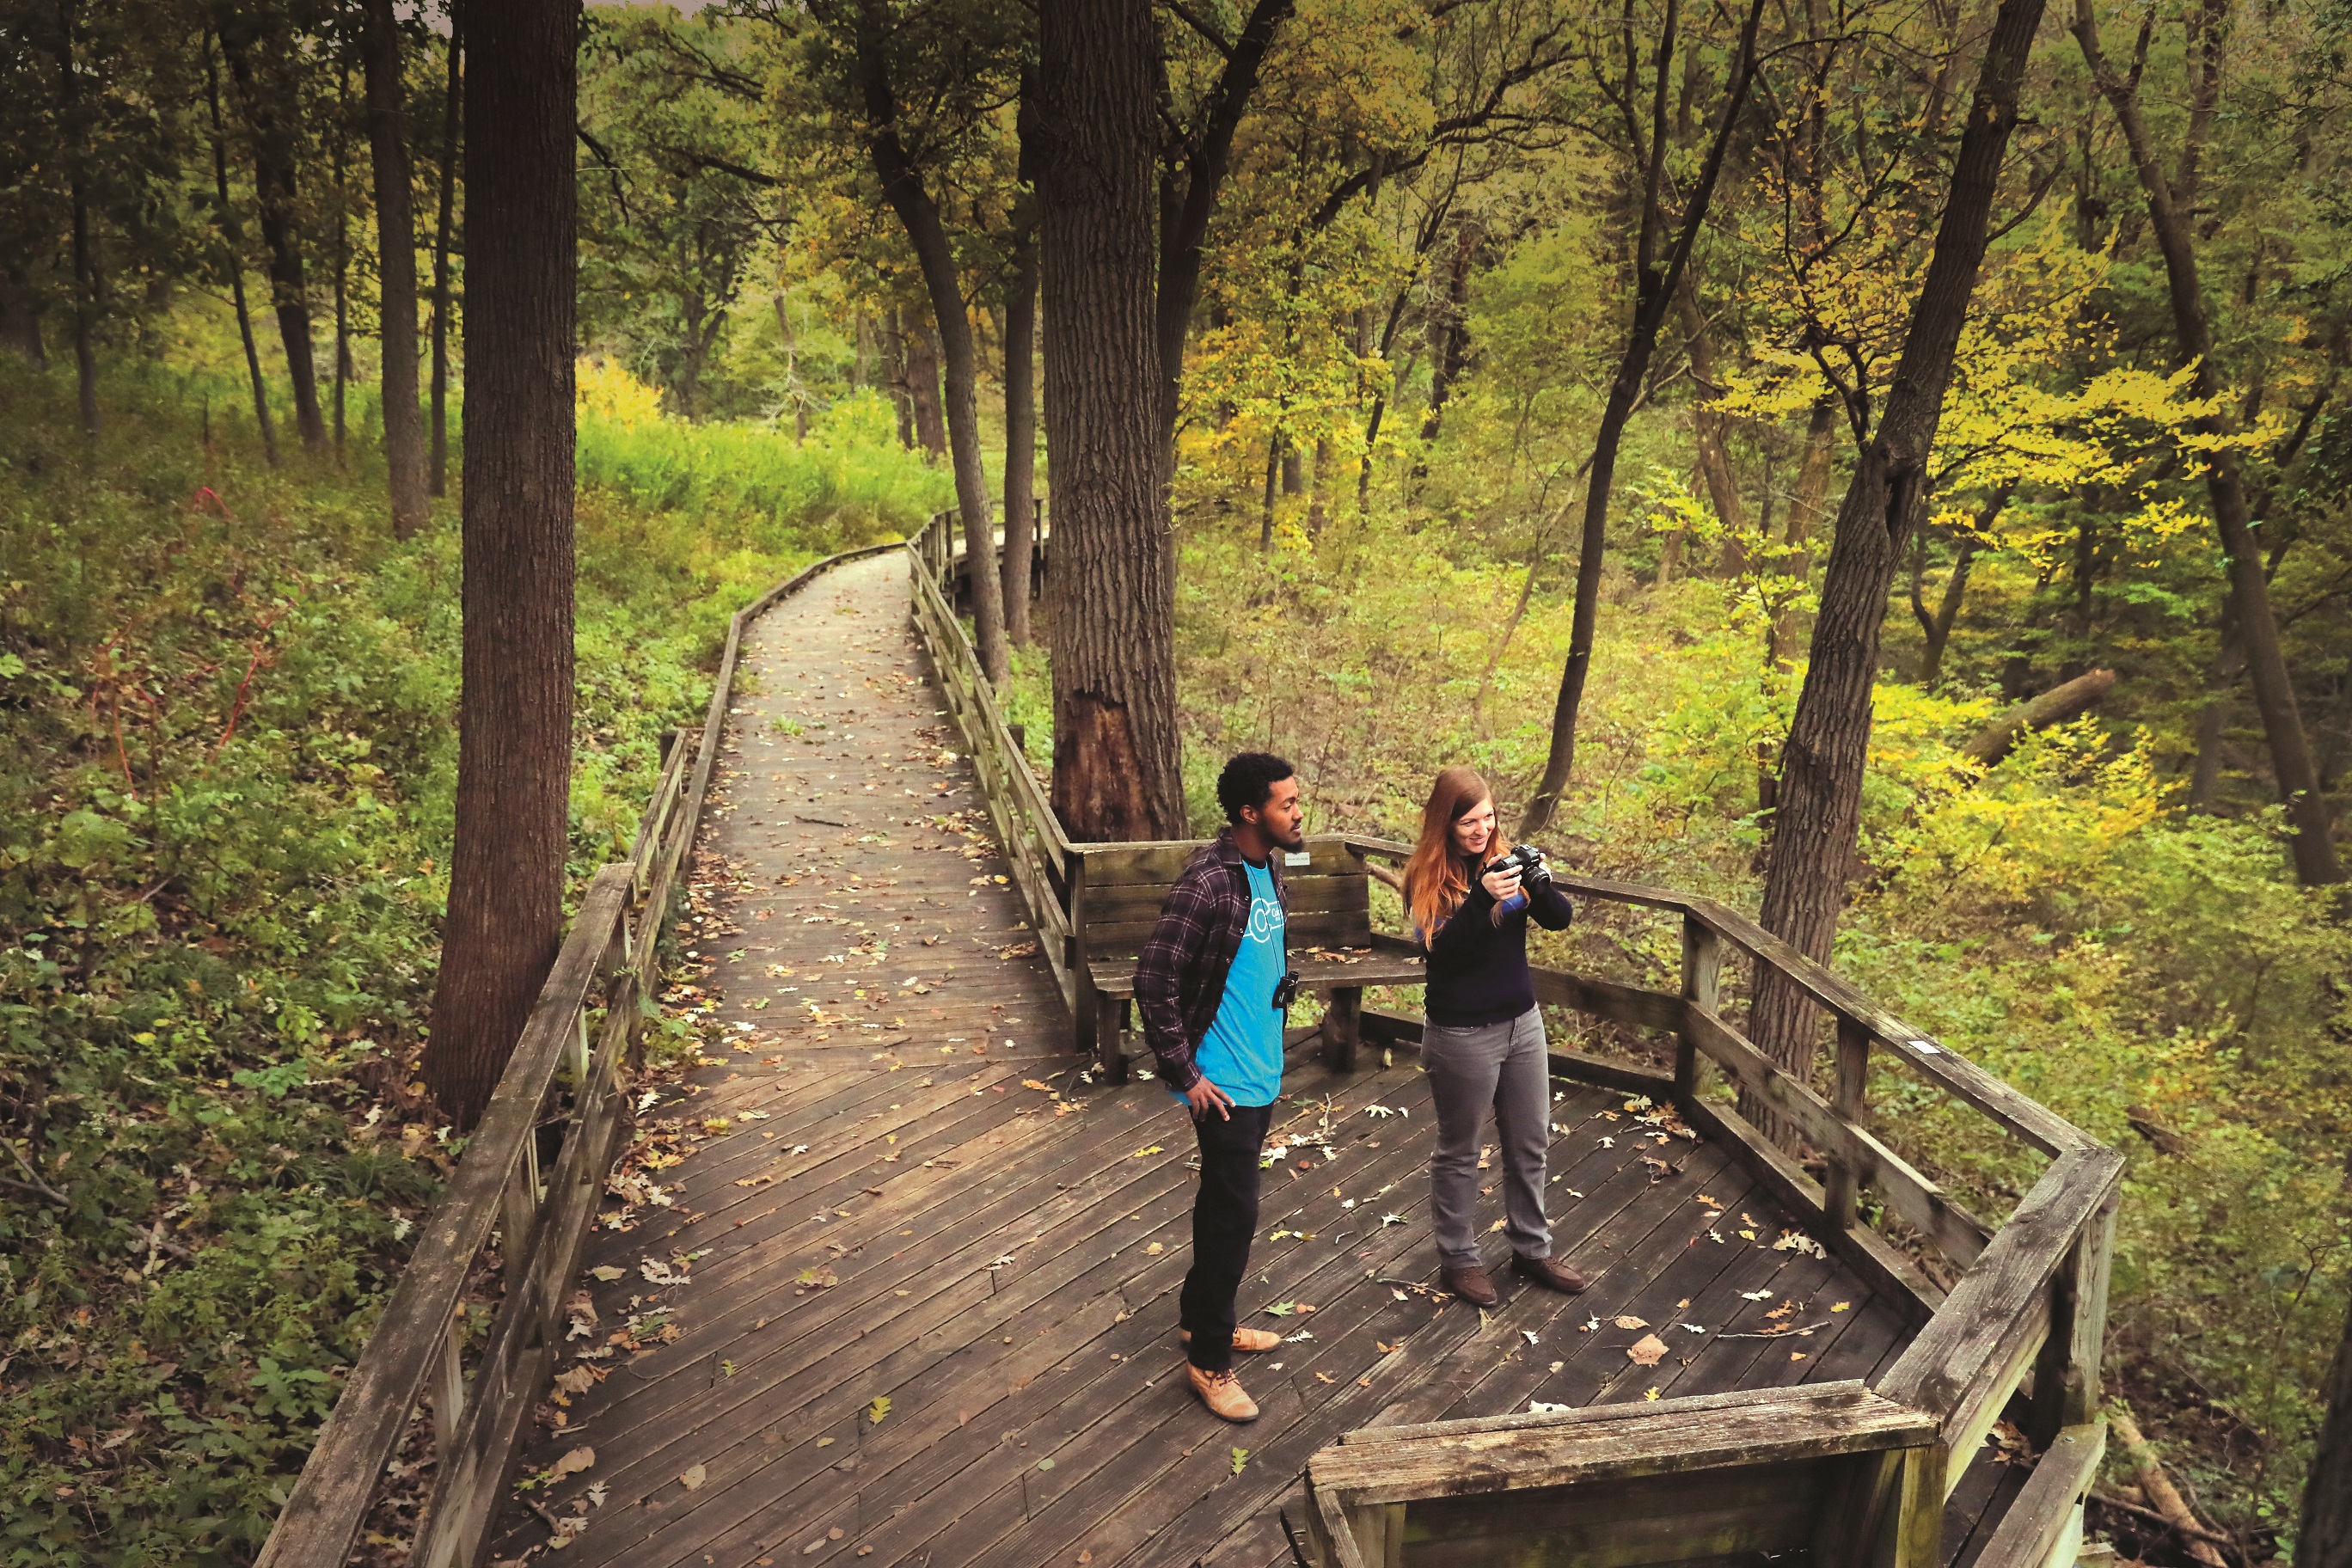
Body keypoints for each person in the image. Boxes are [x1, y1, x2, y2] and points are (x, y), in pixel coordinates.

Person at [1133, 752, 1306, 1424]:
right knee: (1235, 1216)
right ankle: (1208, 1360)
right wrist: (1186, 1073)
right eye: (1287, 804)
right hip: (1223, 1083)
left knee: (1221, 1206)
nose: (1298, 813)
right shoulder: (1206, 884)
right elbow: (1154, 979)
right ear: (1248, 813)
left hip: (1260, 1071)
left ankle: (1204, 1318)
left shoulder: (1268, 867)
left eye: (1296, 801)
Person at [1402, 765, 1590, 1307]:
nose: (1481, 830)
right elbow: (1444, 955)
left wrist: (1540, 881)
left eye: (1488, 817)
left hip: (1522, 1023)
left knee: (1530, 1142)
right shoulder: (1427, 878)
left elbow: (1558, 919)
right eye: (1468, 821)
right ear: (1445, 823)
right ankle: (1459, 1258)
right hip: (1461, 1032)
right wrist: (1482, 899)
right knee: (1461, 1152)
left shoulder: (1501, 863)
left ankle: (1532, 1249)